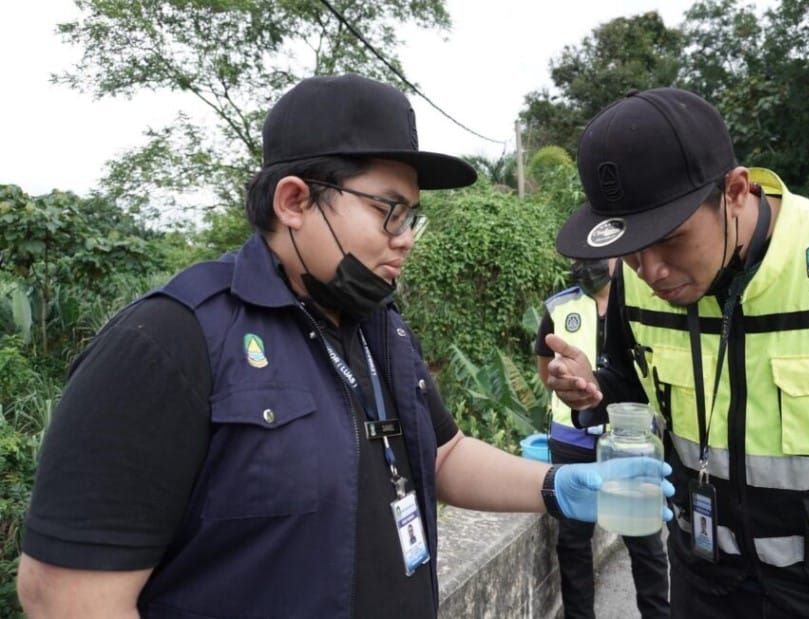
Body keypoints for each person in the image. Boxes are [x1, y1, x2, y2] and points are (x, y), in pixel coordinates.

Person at [16, 74, 674, 618]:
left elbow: (441, 454)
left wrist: (559, 485)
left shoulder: (380, 325)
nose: (406, 237)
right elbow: (64, 597)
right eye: (388, 211)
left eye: (412, 216)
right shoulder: (169, 342)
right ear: (294, 200)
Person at [544, 88, 809, 618]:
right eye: (630, 250)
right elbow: (629, 386)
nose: (651, 271)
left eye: (671, 239)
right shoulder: (633, 286)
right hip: (709, 585)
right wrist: (593, 389)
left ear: (734, 191)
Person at [536, 257, 669, 618]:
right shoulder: (558, 307)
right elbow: (546, 371)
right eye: (580, 256)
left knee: (645, 542)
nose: (587, 263)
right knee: (573, 542)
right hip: (571, 439)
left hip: (631, 440)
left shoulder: (645, 301)